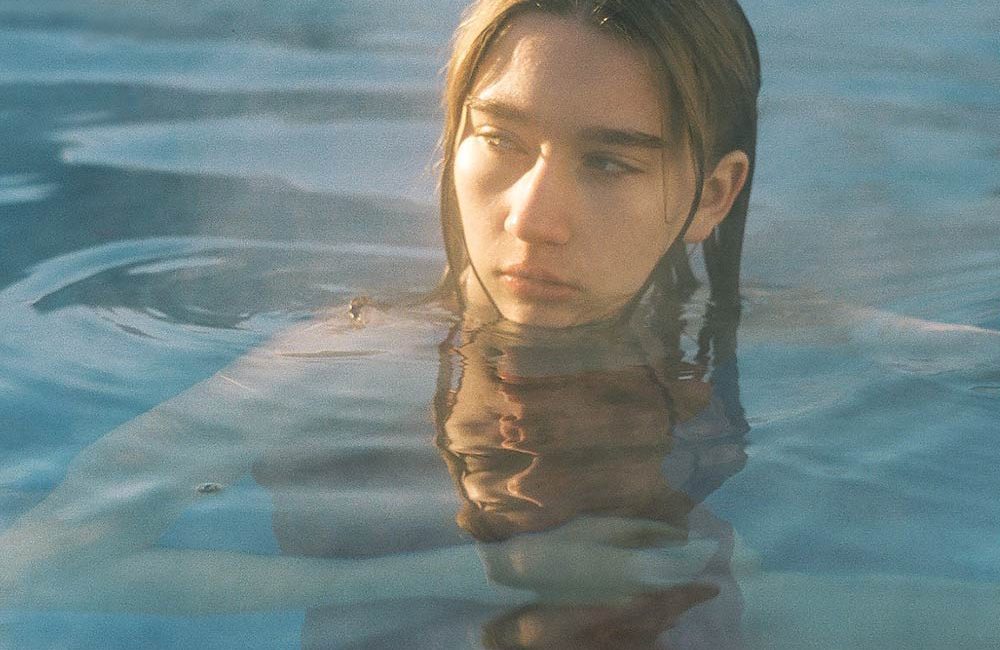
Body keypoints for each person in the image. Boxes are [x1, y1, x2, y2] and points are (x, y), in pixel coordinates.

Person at [0, 0, 762, 647]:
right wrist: (484, 576)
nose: (531, 219)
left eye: (607, 164)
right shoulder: (339, 364)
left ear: (713, 196)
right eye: (498, 140)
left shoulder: (755, 330)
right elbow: (35, 566)